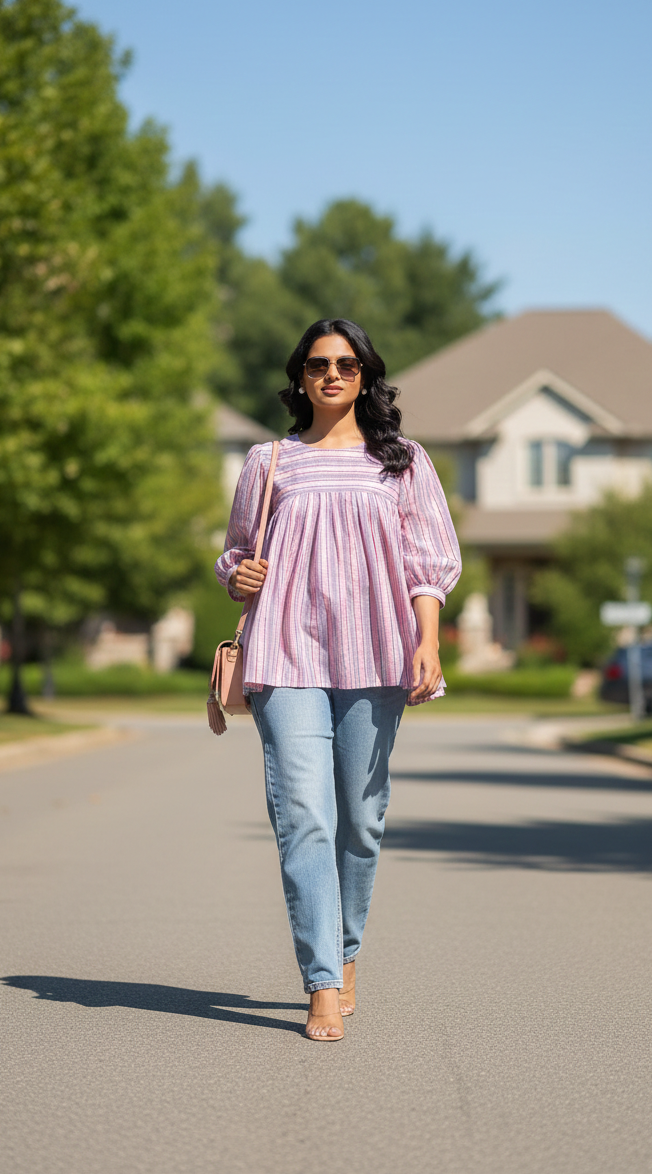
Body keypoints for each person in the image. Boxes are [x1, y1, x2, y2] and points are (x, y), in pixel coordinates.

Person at [215, 318, 461, 1041]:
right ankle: (322, 979)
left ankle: (347, 950)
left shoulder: (402, 461)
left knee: (361, 819)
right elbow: (234, 553)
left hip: (377, 657)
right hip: (285, 656)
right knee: (306, 817)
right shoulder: (269, 461)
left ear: (365, 374)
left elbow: (429, 561)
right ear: (300, 377)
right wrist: (240, 574)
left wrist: (429, 642)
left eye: (347, 364)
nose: (332, 374)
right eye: (319, 364)